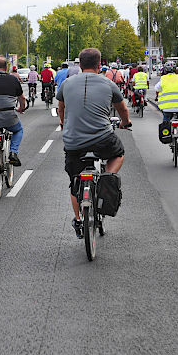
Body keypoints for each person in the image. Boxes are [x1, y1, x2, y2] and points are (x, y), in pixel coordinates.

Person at [56, 48, 132, 238]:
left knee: (75, 180)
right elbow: (122, 108)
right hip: (102, 139)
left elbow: (61, 108)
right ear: (99, 65)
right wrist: (125, 123)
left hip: (74, 142)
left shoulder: (66, 84)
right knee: (118, 153)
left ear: (79, 65)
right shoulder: (108, 83)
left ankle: (79, 220)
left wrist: (63, 123)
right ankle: (107, 177)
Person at [155, 64, 178, 154]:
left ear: (165, 70)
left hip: (167, 107)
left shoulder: (163, 78)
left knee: (166, 121)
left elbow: (156, 88)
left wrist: (158, 96)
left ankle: (167, 135)